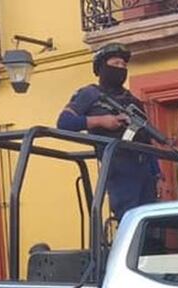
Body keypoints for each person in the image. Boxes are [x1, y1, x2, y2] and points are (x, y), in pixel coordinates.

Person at [57, 43, 161, 219]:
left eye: (123, 65)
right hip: (118, 166)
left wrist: (157, 173)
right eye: (115, 64)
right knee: (129, 218)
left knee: (150, 223)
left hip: (144, 168)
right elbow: (64, 122)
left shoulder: (133, 101)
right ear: (101, 68)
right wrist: (102, 121)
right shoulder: (89, 94)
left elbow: (146, 138)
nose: (120, 68)